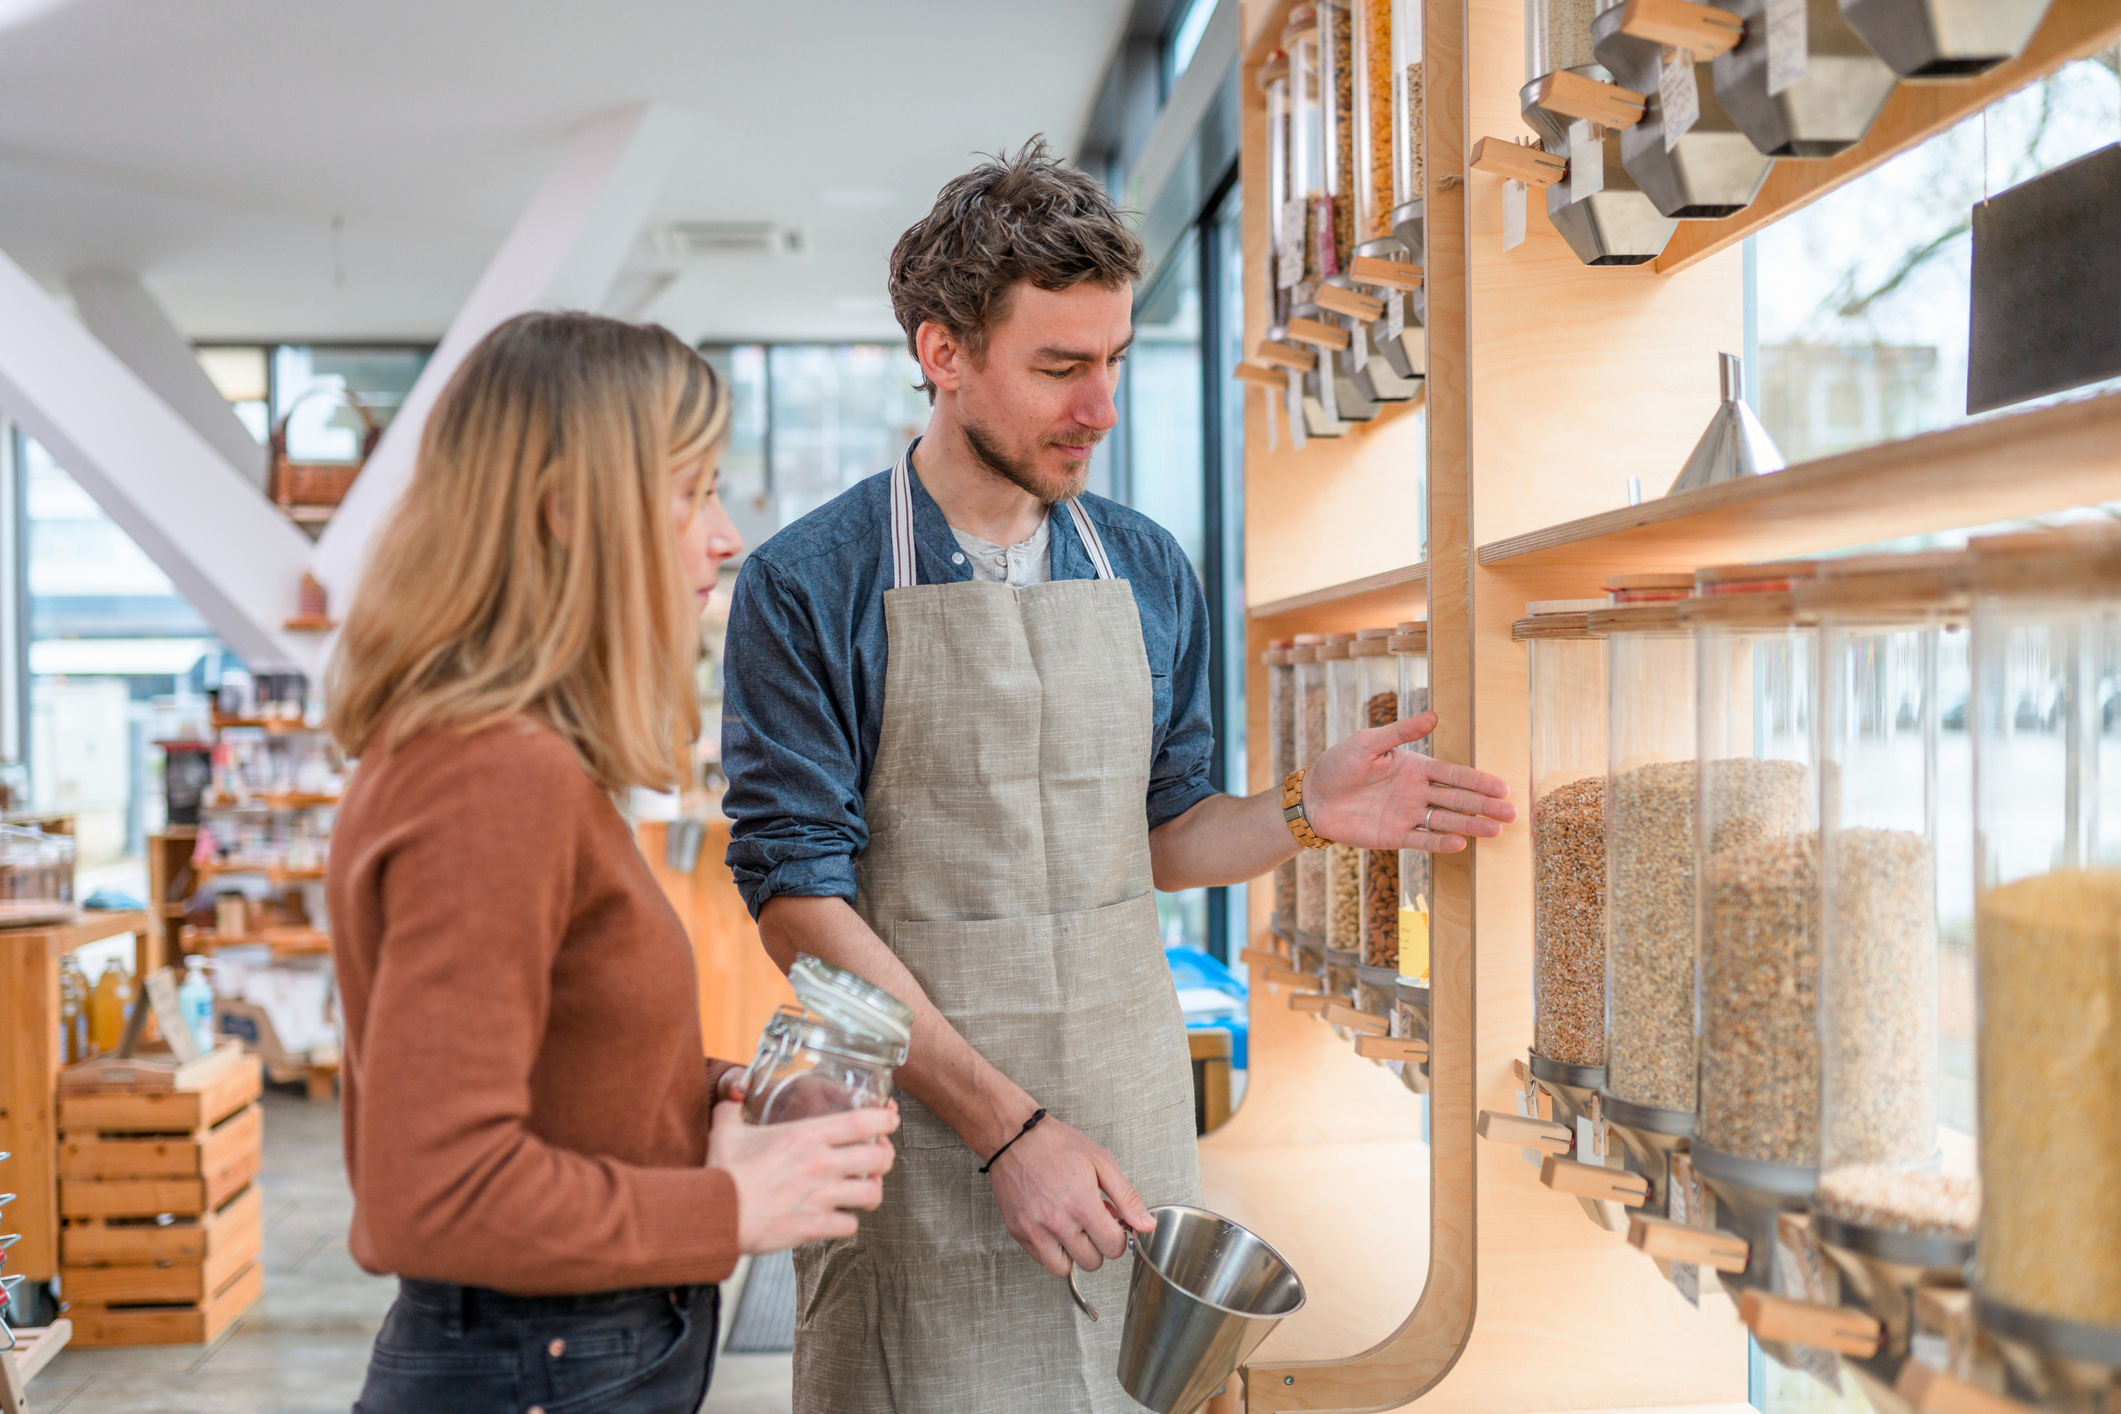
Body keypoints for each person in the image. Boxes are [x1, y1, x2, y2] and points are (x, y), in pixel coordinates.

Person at [720, 140, 1516, 1413]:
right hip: (922, 1142)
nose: (1099, 409)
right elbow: (800, 909)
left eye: (1114, 364)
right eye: (1058, 369)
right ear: (943, 354)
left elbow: (1162, 833)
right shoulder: (807, 584)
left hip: (1127, 1120)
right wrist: (1010, 1132)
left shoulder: (1145, 566)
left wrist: (1305, 812)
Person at [325, 312, 899, 1414]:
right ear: (568, 511)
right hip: (539, 1362)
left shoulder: (506, 754)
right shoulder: (491, 775)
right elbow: (428, 1193)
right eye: (692, 494)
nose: (725, 537)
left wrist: (727, 1094)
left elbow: (545, 1073)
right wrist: (731, 1209)